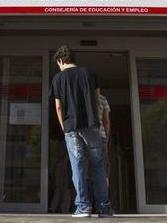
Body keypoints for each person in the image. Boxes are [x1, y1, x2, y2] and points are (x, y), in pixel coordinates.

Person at [49, 45, 113, 218]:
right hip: (92, 126)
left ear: (61, 59)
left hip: (71, 127)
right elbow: (97, 102)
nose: (59, 67)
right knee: (98, 166)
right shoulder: (90, 74)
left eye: (58, 64)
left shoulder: (58, 78)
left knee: (77, 166)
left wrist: (64, 127)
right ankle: (103, 208)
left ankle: (83, 207)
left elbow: (58, 107)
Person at [98, 94, 111, 185]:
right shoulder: (102, 98)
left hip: (84, 137)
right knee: (104, 170)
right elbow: (106, 121)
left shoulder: (80, 96)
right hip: (101, 136)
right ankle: (104, 197)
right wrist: (106, 138)